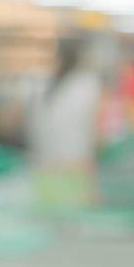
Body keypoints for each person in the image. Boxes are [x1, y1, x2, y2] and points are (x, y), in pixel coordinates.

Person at [28, 36, 103, 208]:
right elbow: (95, 135)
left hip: (43, 170)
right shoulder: (88, 85)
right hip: (75, 171)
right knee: (72, 226)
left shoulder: (38, 82)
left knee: (49, 225)